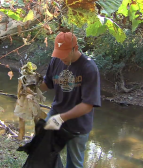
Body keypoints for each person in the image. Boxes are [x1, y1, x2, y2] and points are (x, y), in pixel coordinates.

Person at [39, 31, 101, 168]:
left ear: (76, 49)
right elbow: (47, 84)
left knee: (74, 164)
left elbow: (88, 105)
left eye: (65, 54)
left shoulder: (89, 68)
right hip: (56, 113)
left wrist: (62, 118)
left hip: (78, 124)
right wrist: (33, 81)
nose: (62, 58)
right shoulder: (56, 60)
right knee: (44, 151)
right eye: (59, 54)